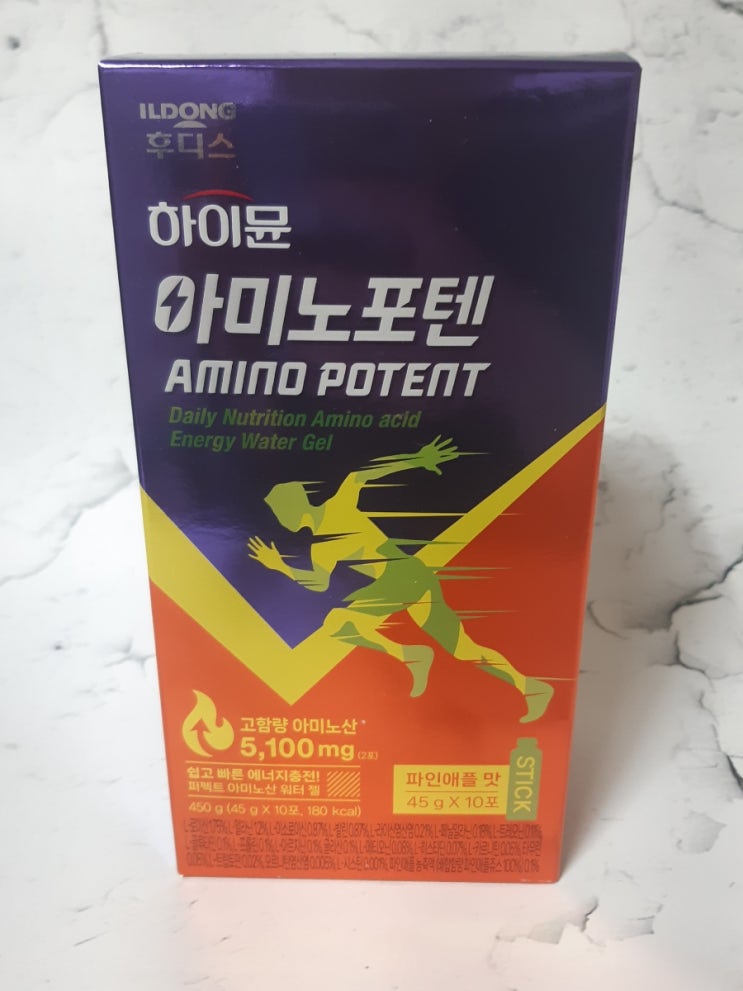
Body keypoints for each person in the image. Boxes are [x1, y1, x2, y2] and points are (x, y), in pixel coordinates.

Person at [248, 437, 553, 723]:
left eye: (279, 512)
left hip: (401, 577)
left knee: (339, 623)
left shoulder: (335, 514)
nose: (279, 519)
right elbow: (320, 582)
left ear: (293, 509)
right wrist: (281, 566)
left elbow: (362, 475)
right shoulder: (323, 541)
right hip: (412, 576)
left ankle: (412, 656)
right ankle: (532, 688)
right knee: (464, 649)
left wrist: (418, 458)